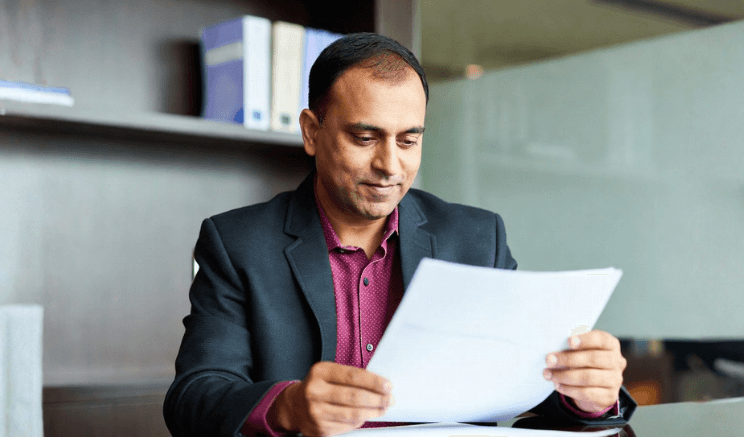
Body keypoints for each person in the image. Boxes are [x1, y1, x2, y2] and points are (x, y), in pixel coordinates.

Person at [164, 32, 634, 437]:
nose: (391, 165)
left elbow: (525, 392)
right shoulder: (238, 242)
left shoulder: (476, 237)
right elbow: (194, 397)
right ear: (311, 132)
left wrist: (586, 395)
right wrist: (289, 406)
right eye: (365, 138)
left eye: (409, 140)